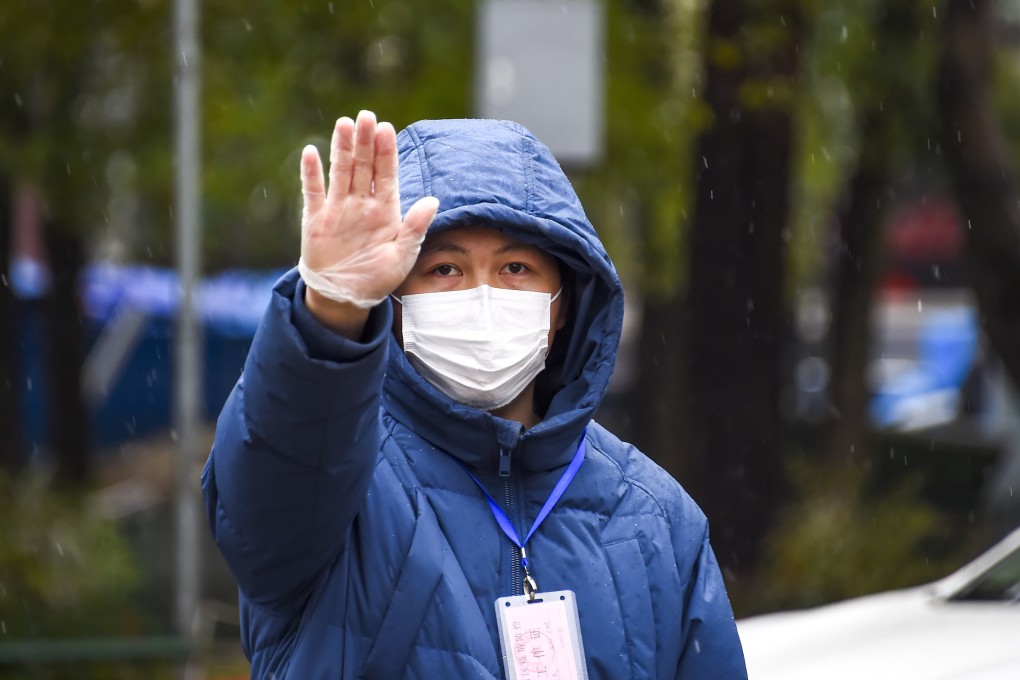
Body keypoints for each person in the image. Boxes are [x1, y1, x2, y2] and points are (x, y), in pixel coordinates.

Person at [202, 110, 748, 679]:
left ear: (562, 305)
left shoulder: (655, 519)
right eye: (444, 269)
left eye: (515, 267)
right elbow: (264, 508)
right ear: (393, 300)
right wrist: (332, 309)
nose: (482, 295)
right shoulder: (335, 481)